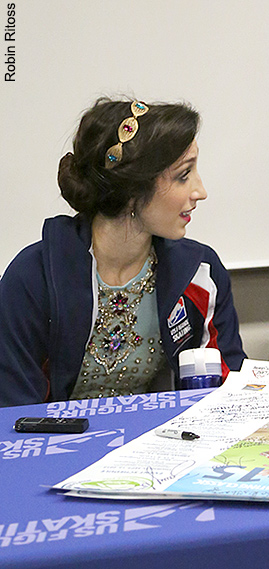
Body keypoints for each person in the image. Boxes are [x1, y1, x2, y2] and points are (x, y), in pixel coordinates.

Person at [0, 97, 246, 406]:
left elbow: (229, 388)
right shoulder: (32, 278)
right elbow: (13, 412)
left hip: (159, 446)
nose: (200, 191)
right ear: (133, 189)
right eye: (184, 175)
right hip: (55, 445)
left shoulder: (200, 271)